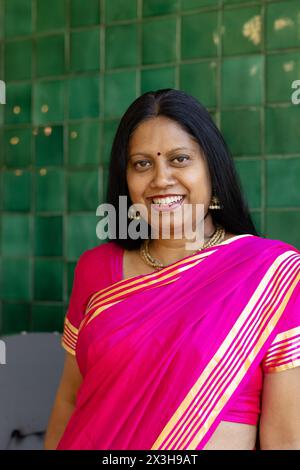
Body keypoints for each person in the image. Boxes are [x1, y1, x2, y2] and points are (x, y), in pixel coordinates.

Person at [44, 89, 300, 450]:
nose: (161, 179)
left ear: (213, 169)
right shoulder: (96, 269)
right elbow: (69, 402)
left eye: (179, 159)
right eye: (142, 163)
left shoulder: (272, 274)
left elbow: (287, 440)